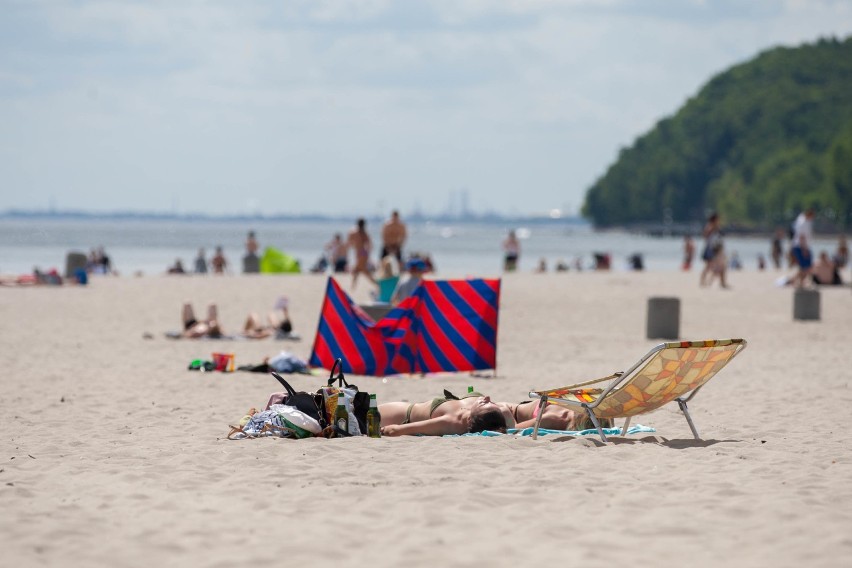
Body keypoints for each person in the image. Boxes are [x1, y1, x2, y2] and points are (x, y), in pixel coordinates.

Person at [379, 393, 507, 436]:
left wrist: (380, 430)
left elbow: (396, 430)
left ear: (473, 417)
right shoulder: (495, 418)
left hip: (399, 414)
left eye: (484, 404)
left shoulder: (452, 422)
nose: (487, 398)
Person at [700, 212, 728, 288]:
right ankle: (703, 281)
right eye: (718, 219)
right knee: (709, 266)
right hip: (711, 249)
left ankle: (722, 282)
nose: (719, 220)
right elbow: (705, 237)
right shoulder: (709, 227)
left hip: (718, 248)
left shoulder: (716, 227)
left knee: (722, 265)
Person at [346, 218, 376, 288]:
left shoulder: (353, 232)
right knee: (359, 269)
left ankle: (376, 283)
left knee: (361, 269)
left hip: (359, 252)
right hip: (364, 252)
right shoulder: (365, 233)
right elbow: (370, 245)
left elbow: (349, 243)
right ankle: (353, 286)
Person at [790, 207, 815, 288]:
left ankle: (797, 281)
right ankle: (798, 281)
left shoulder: (802, 220)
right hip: (800, 246)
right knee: (805, 266)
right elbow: (801, 236)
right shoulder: (803, 222)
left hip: (800, 246)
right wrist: (804, 249)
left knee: (804, 266)